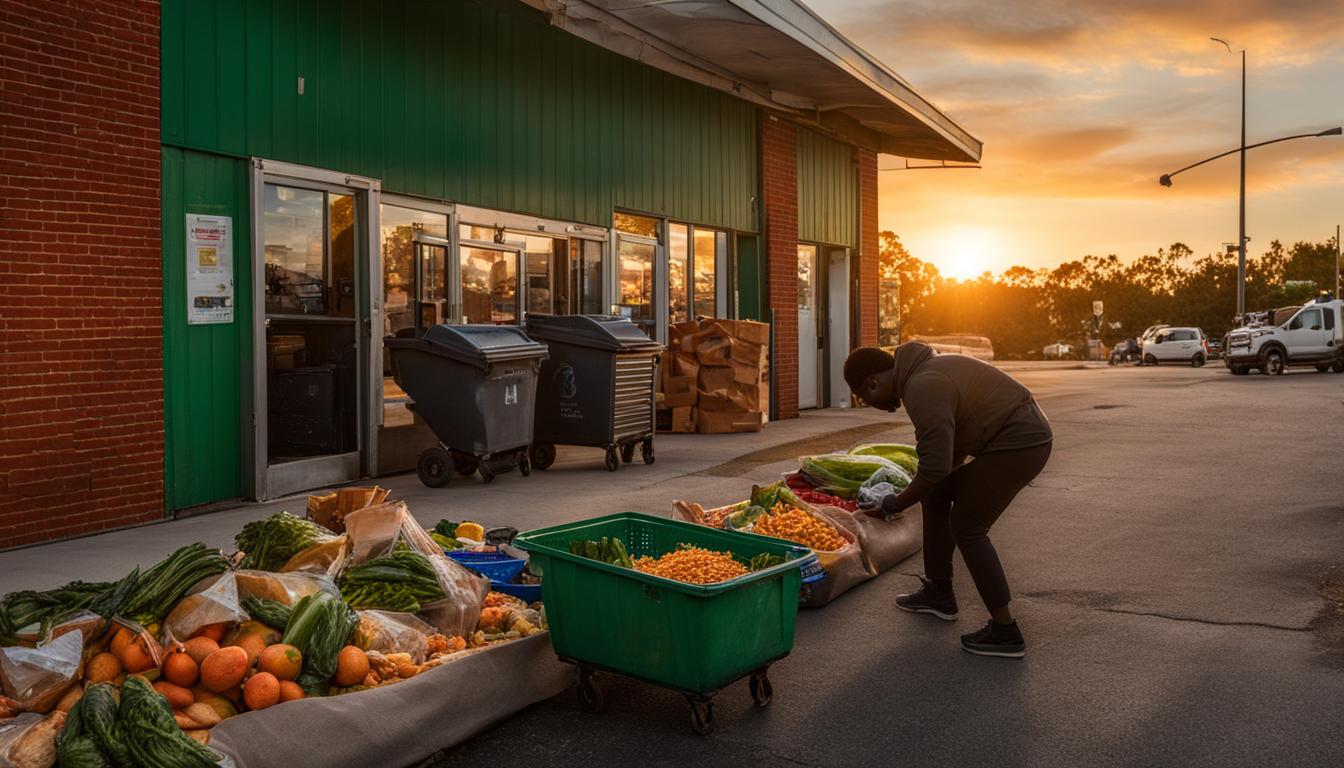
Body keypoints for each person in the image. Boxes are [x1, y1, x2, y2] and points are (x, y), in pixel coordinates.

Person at [843, 342, 1053, 658]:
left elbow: (935, 466)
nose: (872, 405)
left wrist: (894, 504)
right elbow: (948, 454)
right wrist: (924, 486)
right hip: (1020, 438)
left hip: (1021, 445)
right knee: (938, 493)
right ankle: (939, 592)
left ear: (872, 383)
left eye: (865, 398)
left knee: (968, 526)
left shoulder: (921, 386)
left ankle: (1005, 631)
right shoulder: (926, 371)